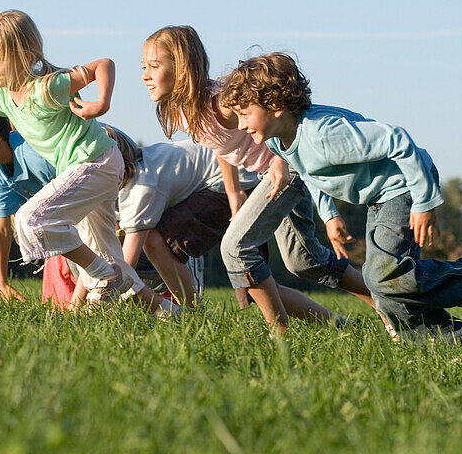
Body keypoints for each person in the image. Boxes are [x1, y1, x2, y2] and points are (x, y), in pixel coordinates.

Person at [218, 52, 462, 340]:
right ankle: (449, 339)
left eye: (245, 114)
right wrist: (329, 215)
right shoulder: (281, 142)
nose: (241, 125)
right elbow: (310, 173)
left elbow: (398, 140)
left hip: (403, 185)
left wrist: (424, 201)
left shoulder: (323, 134)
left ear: (275, 105)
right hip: (379, 197)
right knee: (380, 282)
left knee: (384, 273)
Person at [141, 26, 377, 334]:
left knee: (244, 250)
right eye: (143, 68)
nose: (146, 75)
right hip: (263, 181)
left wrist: (281, 158)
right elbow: (220, 145)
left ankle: (281, 335)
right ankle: (369, 311)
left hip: (285, 171)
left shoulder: (223, 102)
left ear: (182, 67)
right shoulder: (185, 111)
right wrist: (234, 192)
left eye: (154, 66)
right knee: (304, 261)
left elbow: (285, 112)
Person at [0, 10, 146, 307]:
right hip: (85, 166)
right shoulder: (0, 97)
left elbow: (103, 65)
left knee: (31, 220)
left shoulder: (47, 87)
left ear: (23, 54)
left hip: (97, 161)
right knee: (109, 255)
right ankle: (170, 313)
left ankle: (100, 274)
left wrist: (101, 103)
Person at [0, 115, 181, 316]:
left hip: (106, 170)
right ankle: (170, 313)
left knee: (97, 261)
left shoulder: (35, 153)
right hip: (85, 192)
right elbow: (2, 227)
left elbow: (77, 189)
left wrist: (75, 304)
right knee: (112, 265)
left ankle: (95, 292)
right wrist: (1, 282)